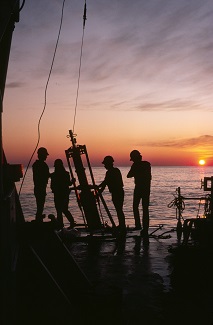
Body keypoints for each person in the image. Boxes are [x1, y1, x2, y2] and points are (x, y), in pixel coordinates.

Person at [127, 150, 151, 239]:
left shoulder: (136, 165)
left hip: (139, 188)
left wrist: (135, 171)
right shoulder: (147, 164)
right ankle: (145, 228)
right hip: (146, 189)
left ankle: (139, 225)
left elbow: (129, 175)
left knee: (136, 206)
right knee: (145, 209)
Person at [98, 156, 126, 231]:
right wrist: (99, 189)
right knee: (119, 209)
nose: (104, 166)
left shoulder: (111, 172)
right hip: (117, 192)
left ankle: (122, 226)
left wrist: (99, 189)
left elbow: (105, 183)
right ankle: (122, 225)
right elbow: (105, 183)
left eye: (105, 164)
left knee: (119, 209)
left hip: (117, 192)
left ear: (109, 164)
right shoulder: (115, 171)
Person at [50, 159, 75, 229]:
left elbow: (52, 185)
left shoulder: (54, 175)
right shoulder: (66, 174)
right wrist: (72, 181)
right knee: (64, 209)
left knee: (60, 210)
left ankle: (61, 225)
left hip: (59, 194)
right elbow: (68, 183)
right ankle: (71, 222)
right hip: (64, 194)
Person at [32, 147, 50, 222]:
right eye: (45, 155)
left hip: (39, 188)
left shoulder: (36, 164)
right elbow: (45, 176)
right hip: (40, 188)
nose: (46, 156)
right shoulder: (42, 165)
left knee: (40, 206)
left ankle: (39, 219)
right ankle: (38, 220)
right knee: (40, 206)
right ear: (42, 155)